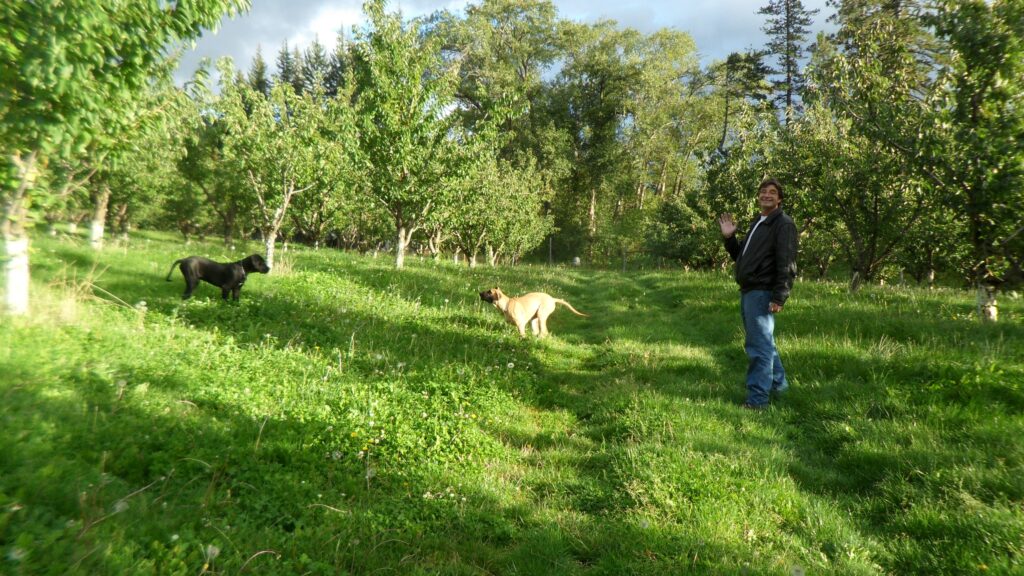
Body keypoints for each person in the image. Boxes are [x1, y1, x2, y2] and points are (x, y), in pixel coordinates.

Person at [718, 177, 798, 410]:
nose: (766, 195)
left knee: (758, 348)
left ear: (779, 199)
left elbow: (787, 261)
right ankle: (779, 388)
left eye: (772, 192)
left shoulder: (782, 224)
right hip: (750, 290)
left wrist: (779, 295)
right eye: (763, 191)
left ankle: (757, 401)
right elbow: (742, 258)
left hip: (762, 291)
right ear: (758, 197)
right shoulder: (759, 222)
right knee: (765, 344)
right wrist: (730, 238)